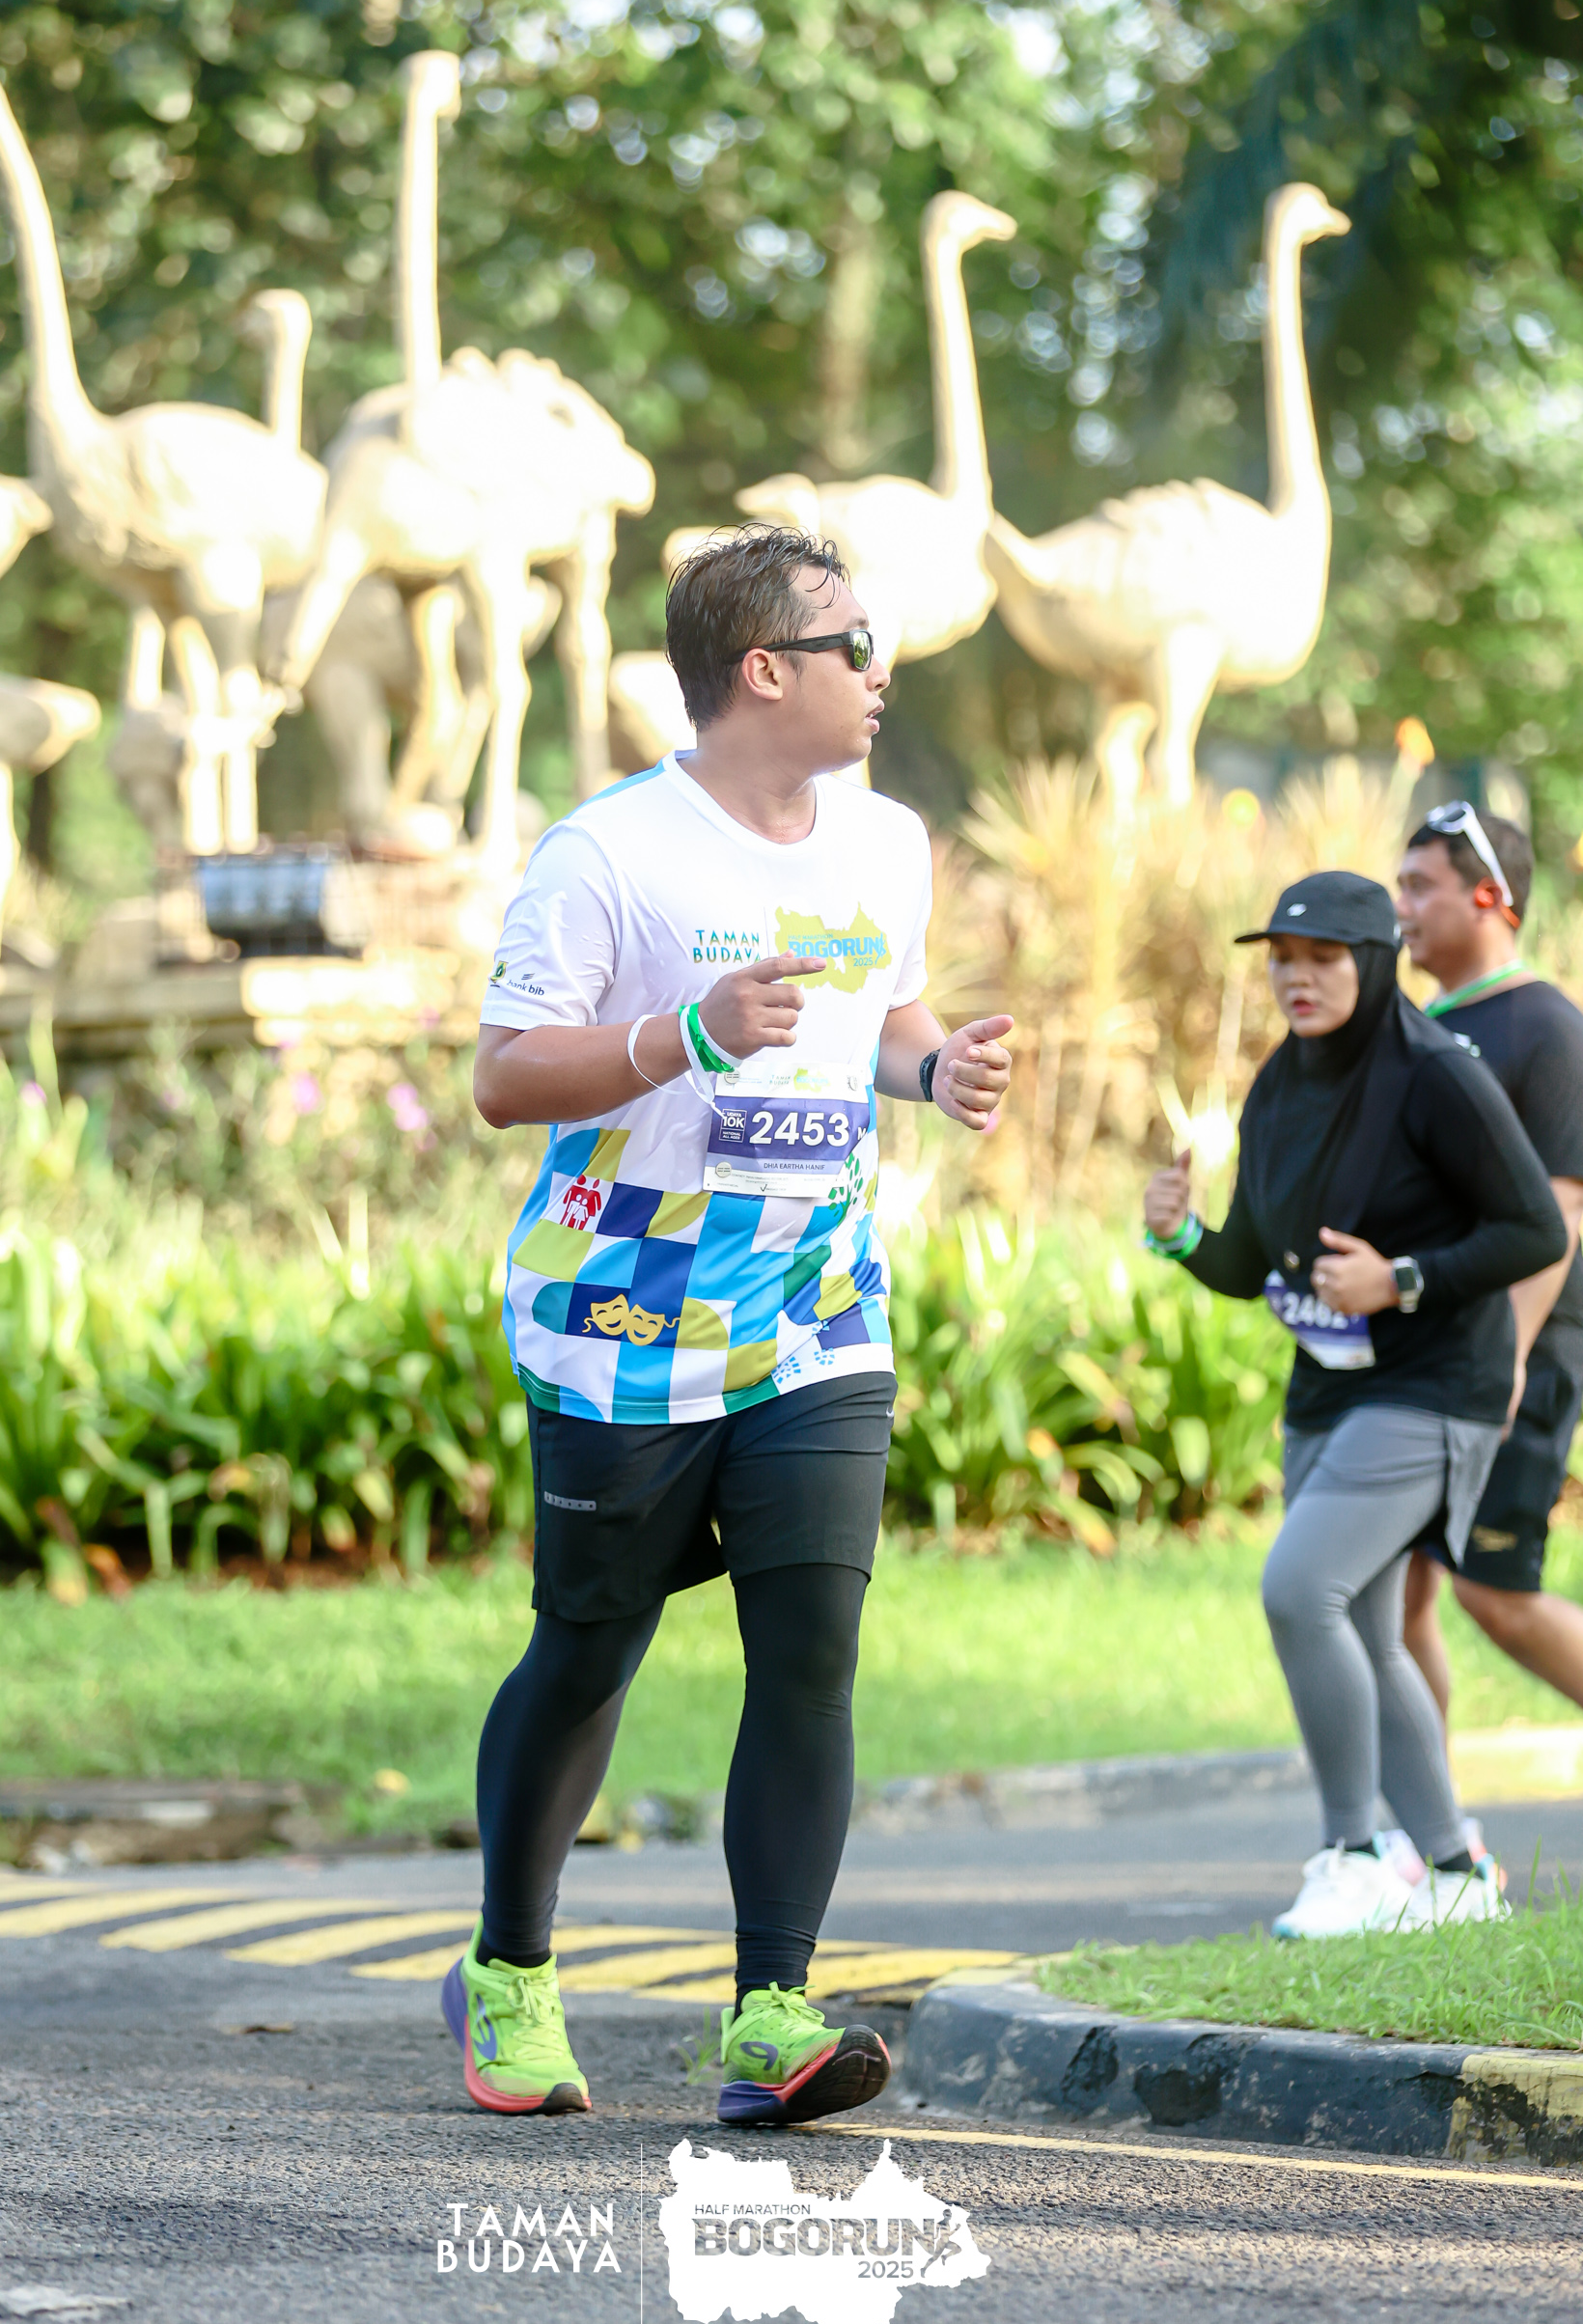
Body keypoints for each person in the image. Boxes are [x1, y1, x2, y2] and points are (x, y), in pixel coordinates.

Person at [446, 522, 1014, 2120]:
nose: (881, 671)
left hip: (818, 1309)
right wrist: (680, 1035)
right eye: (854, 647)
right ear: (764, 670)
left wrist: (931, 1068)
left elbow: (874, 1013)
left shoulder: (885, 840)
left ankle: (772, 2014)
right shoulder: (609, 853)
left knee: (811, 1650)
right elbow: (504, 1076)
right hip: (623, 1312)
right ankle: (508, 1971)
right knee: (588, 1645)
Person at [1142, 872, 1566, 1939]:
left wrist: (1401, 1278)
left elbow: (1537, 1230)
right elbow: (1252, 1264)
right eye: (1282, 958)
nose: (1298, 976)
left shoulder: (1439, 1075)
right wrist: (1180, 1233)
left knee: (1300, 1591)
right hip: (1329, 1389)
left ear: (1373, 965)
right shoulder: (1281, 1084)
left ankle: (1356, 1855)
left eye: (1324, 958)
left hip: (1438, 1384)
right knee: (1369, 1633)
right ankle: (1458, 1873)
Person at [1395, 805, 1583, 1725]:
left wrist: (1502, 1357)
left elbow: (1563, 1207)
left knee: (1496, 1593)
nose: (1402, 907)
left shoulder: (1548, 1025)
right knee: (1388, 1597)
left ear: (1488, 897)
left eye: (1420, 886)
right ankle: (1424, 1814)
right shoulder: (1415, 1026)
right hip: (1422, 1346)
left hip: (1520, 1347)